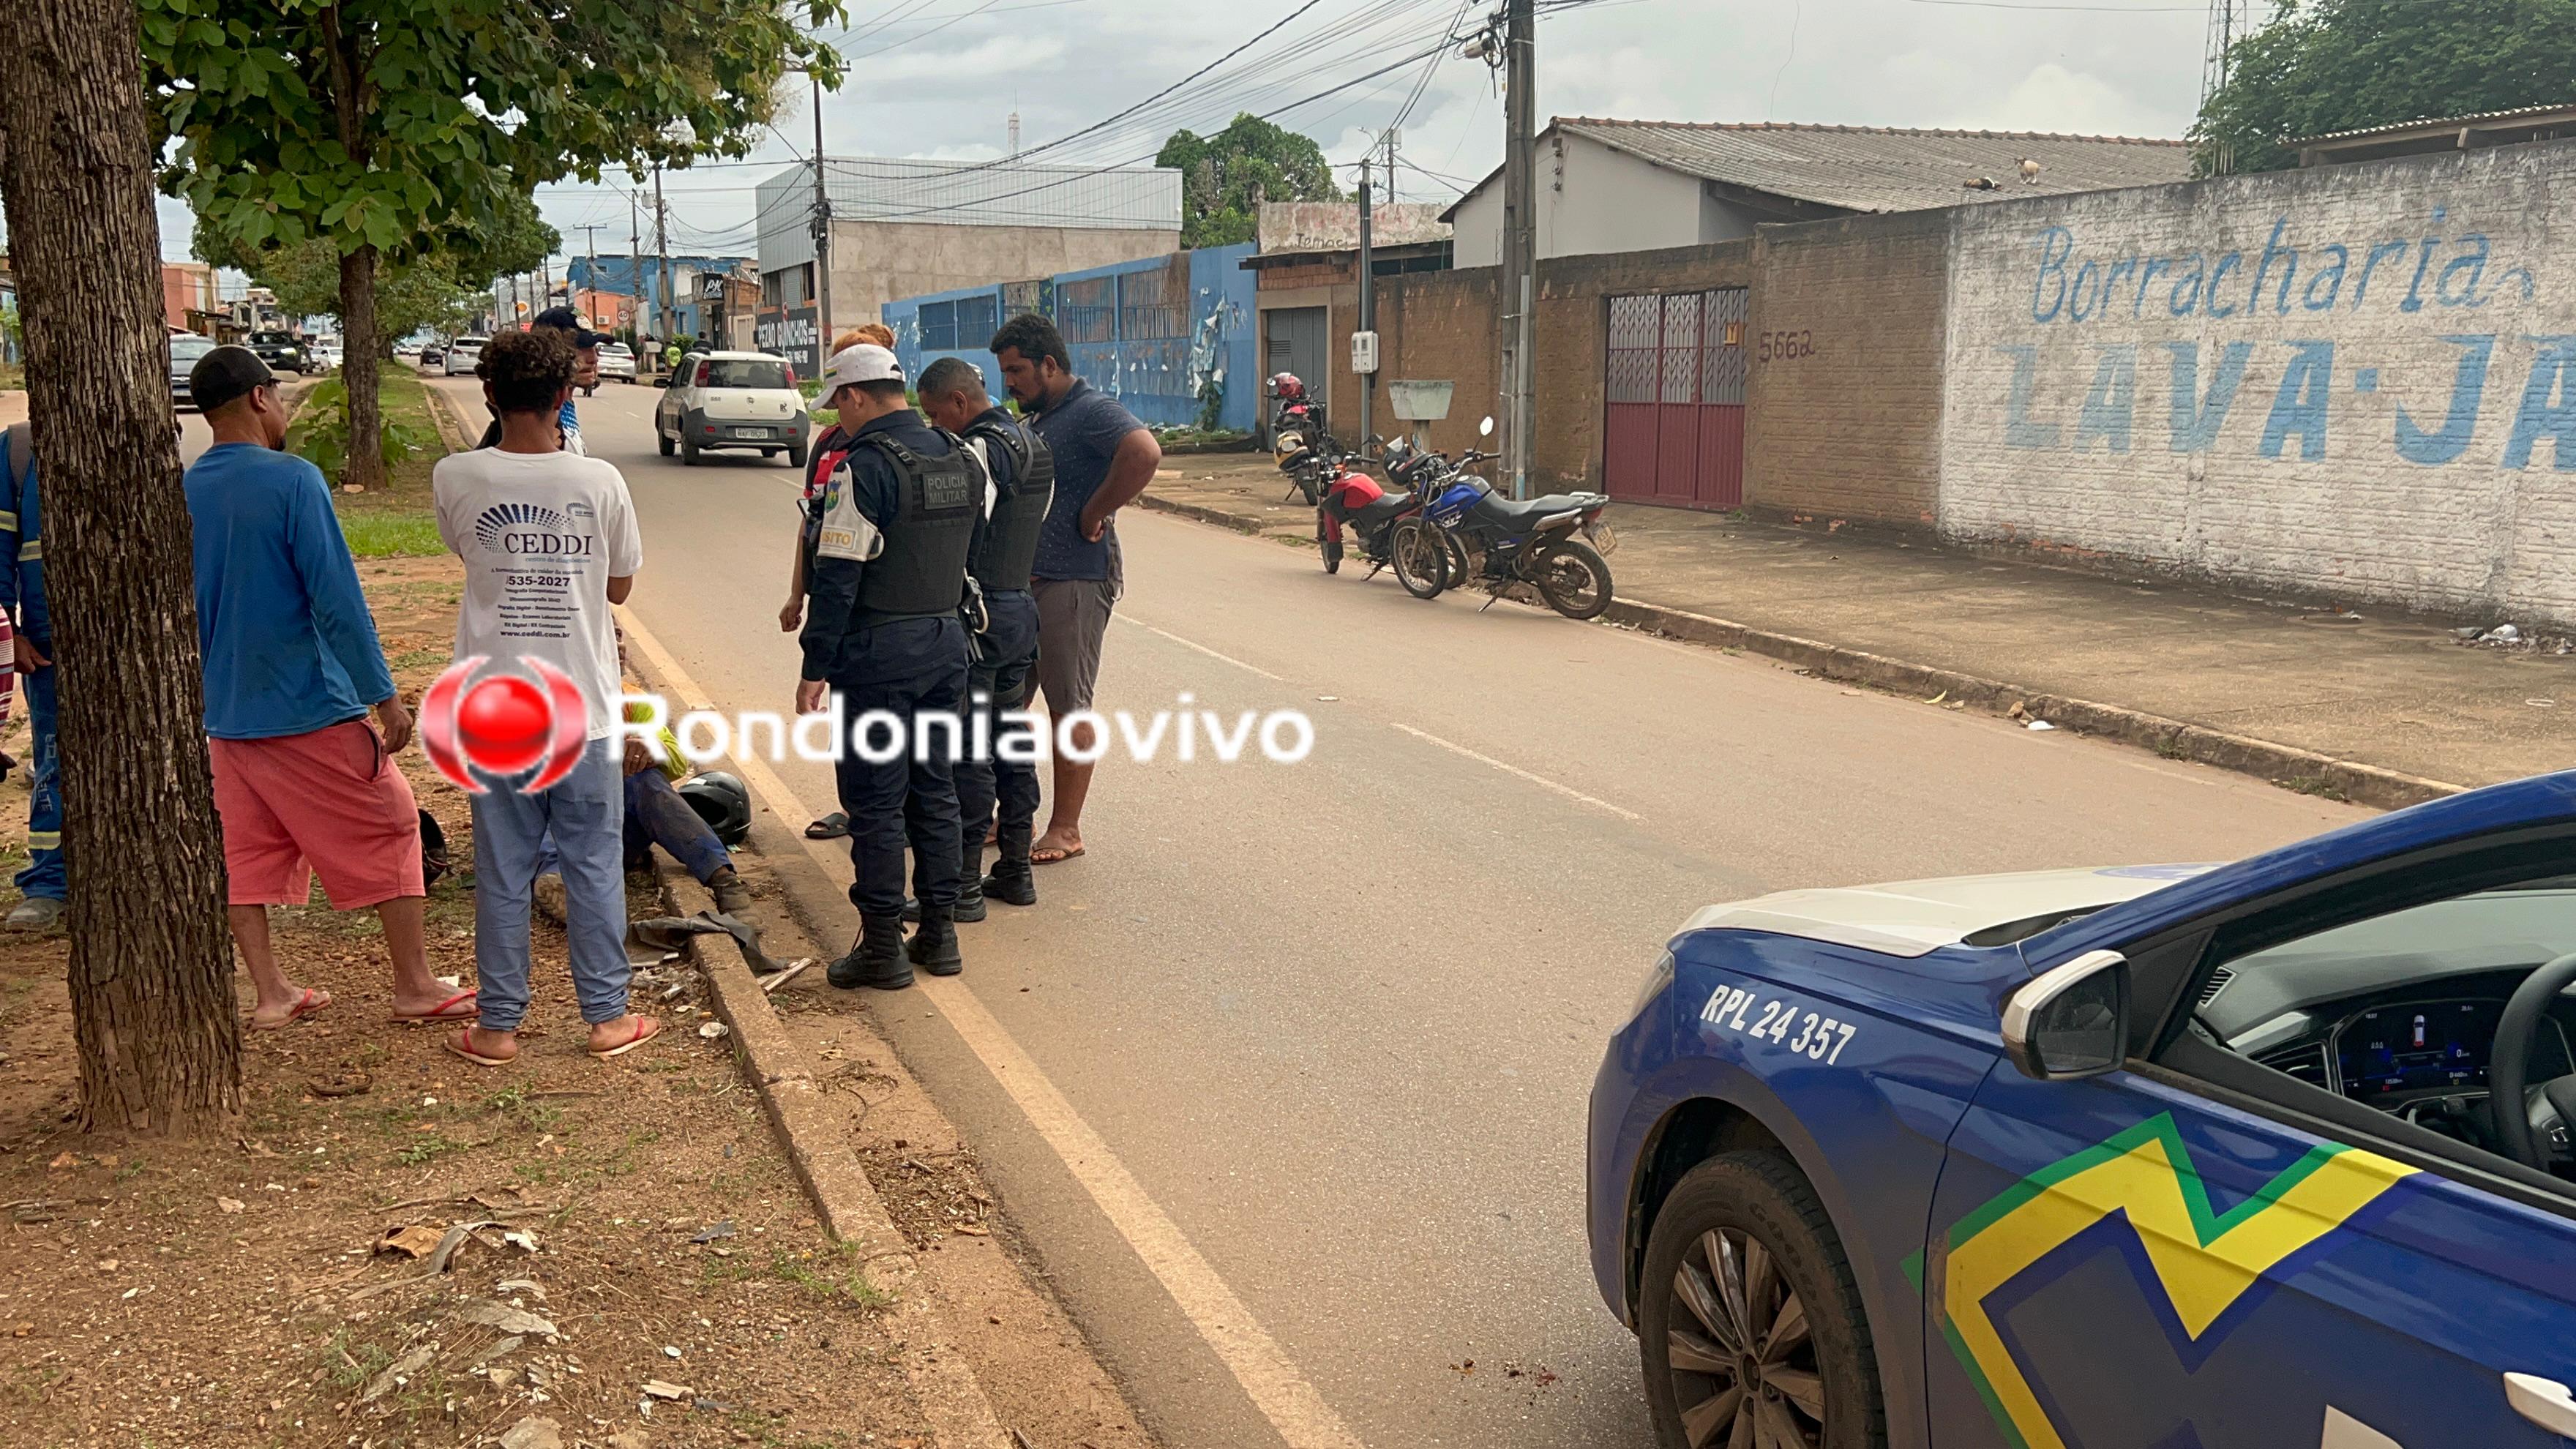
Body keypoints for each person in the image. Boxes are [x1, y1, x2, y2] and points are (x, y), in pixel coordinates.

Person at [181, 346, 468, 1029]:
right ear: (259, 399)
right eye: (276, 396)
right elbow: (335, 598)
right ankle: (415, 985)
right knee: (393, 824)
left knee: (243, 852)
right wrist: (383, 693)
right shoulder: (293, 480)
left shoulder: (187, 487)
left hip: (224, 710)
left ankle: (272, 991)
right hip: (308, 703)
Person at [435, 328, 659, 1066]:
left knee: (503, 870)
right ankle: (606, 1019)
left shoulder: (456, 476)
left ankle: (498, 1027)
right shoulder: (599, 483)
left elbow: (466, 553)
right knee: (592, 863)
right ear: (565, 397)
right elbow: (618, 586)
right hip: (582, 713)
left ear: (489, 394)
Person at [796, 343, 977, 991]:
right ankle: (940, 934)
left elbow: (837, 575)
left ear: (854, 396)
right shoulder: (961, 455)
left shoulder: (862, 468)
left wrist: (815, 664)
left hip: (879, 656)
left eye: (837, 405)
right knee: (935, 791)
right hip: (945, 644)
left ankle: (882, 949)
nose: (836, 420)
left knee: (875, 805)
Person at [988, 312, 1162, 866]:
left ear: (1049, 363)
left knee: (1069, 706)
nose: (1008, 382)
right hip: (1028, 584)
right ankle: (1011, 813)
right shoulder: (1042, 418)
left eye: (1017, 370)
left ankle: (1067, 828)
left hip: (1076, 579)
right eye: (1003, 372)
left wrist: (1096, 510)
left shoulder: (1092, 410)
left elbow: (1144, 452)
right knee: (1009, 703)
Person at [915, 356, 1049, 916]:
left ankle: (964, 887)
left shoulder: (976, 451)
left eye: (935, 414)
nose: (934, 427)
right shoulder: (1034, 443)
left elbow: (963, 530)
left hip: (982, 618)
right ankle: (1015, 871)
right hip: (1020, 609)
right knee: (1012, 740)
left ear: (959, 403)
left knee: (971, 751)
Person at [781, 323, 898, 639]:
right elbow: (810, 523)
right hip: (832, 598)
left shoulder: (903, 450)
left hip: (880, 610)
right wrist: (797, 594)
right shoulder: (827, 443)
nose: (837, 411)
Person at [0, 419, 62, 929]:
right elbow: (0, 546)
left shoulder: (142, 427)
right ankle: (51, 882)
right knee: (54, 757)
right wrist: (8, 631)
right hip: (46, 645)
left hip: (133, 643)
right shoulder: (20, 448)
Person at [478, 307, 601, 453]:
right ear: (547, 351)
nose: (593, 358)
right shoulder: (530, 422)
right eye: (579, 347)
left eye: (594, 347)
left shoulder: (563, 410)